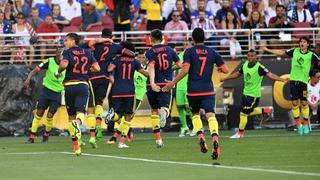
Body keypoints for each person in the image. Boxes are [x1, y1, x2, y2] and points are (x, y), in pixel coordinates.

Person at [162, 28, 229, 160]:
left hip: (193, 90)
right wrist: (219, 67)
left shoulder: (189, 52)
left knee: (196, 114)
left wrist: (173, 82)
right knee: (210, 115)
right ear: (204, 38)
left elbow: (185, 70)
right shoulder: (212, 52)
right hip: (208, 90)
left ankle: (201, 137)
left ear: (193, 39)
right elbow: (226, 69)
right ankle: (215, 138)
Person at [221, 49, 287, 138]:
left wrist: (282, 80)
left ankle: (240, 133)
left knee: (243, 113)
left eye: (252, 56)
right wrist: (226, 78)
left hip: (253, 96)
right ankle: (264, 111)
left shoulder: (259, 67)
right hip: (245, 94)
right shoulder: (244, 65)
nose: (250, 57)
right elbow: (237, 74)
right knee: (246, 112)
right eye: (248, 56)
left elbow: (270, 75)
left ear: (256, 57)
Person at [85, 28, 135, 144]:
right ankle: (99, 124)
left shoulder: (97, 45)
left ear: (102, 35)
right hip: (105, 77)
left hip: (93, 75)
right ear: (111, 36)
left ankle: (95, 129)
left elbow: (90, 43)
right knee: (100, 102)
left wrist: (101, 40)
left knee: (91, 106)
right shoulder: (116, 47)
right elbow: (131, 54)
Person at [263, 36, 320, 135]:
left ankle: (306, 124)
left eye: (304, 42)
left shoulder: (311, 55)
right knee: (294, 103)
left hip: (303, 82)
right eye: (301, 41)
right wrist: (268, 50)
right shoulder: (295, 51)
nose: (302, 43)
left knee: (304, 102)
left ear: (308, 44)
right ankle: (299, 125)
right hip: (293, 81)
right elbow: (282, 53)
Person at [55, 33, 100, 155]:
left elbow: (64, 64)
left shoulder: (68, 52)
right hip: (82, 85)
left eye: (66, 40)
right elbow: (97, 68)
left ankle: (76, 146)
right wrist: (86, 70)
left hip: (69, 86)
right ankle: (79, 124)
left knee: (71, 116)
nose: (64, 43)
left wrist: (58, 72)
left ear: (73, 41)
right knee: (81, 113)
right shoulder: (87, 52)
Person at [105, 41, 148, 148]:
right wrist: (154, 76)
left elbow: (109, 69)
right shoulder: (135, 61)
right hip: (129, 91)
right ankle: (122, 142)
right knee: (128, 116)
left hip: (117, 90)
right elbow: (144, 73)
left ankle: (112, 115)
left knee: (117, 115)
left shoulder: (117, 60)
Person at [146, 29, 181, 148]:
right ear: (162, 38)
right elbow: (180, 65)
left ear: (151, 38)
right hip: (166, 82)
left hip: (152, 84)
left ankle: (158, 139)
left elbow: (151, 67)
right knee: (165, 107)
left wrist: (152, 83)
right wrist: (171, 69)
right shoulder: (170, 50)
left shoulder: (150, 51)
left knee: (154, 111)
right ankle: (164, 113)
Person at [24, 48, 65, 144]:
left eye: (62, 54)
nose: (61, 56)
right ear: (56, 55)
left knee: (50, 115)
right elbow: (36, 70)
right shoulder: (49, 61)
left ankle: (46, 135)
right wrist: (28, 79)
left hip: (57, 93)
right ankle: (32, 137)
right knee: (39, 113)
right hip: (46, 91)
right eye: (59, 53)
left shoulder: (67, 64)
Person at [175, 41, 193, 137]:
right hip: (179, 85)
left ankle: (195, 127)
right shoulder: (179, 56)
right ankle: (184, 127)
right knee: (179, 106)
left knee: (189, 107)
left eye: (187, 44)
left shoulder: (193, 55)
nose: (185, 45)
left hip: (189, 84)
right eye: (184, 44)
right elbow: (176, 66)